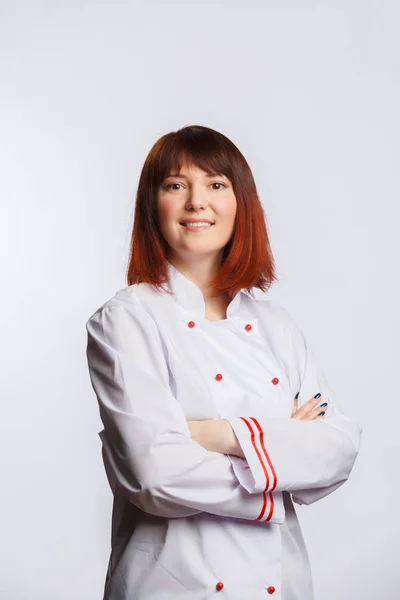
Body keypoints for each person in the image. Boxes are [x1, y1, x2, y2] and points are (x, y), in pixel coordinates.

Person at [85, 124, 362, 600]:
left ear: (241, 204)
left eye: (216, 184)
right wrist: (279, 453)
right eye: (176, 185)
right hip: (170, 586)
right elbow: (155, 475)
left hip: (282, 584)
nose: (197, 202)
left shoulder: (276, 325)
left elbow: (338, 448)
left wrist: (214, 434)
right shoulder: (126, 319)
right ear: (153, 205)